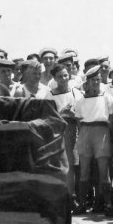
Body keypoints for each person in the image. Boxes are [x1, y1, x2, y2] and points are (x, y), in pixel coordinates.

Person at [74, 65, 113, 216]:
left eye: (97, 80)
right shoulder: (80, 100)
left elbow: (111, 118)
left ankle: (108, 204)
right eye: (92, 80)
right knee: (84, 170)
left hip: (101, 131)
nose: (95, 83)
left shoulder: (107, 97)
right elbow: (78, 120)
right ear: (87, 82)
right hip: (85, 131)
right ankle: (82, 204)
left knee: (104, 171)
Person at [44, 64, 84, 208]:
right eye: (60, 76)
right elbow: (47, 117)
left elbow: (82, 115)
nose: (63, 79)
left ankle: (72, 197)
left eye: (65, 75)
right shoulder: (49, 95)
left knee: (72, 166)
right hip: (57, 132)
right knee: (59, 166)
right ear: (54, 78)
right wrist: (61, 113)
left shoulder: (76, 93)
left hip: (73, 131)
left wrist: (73, 114)